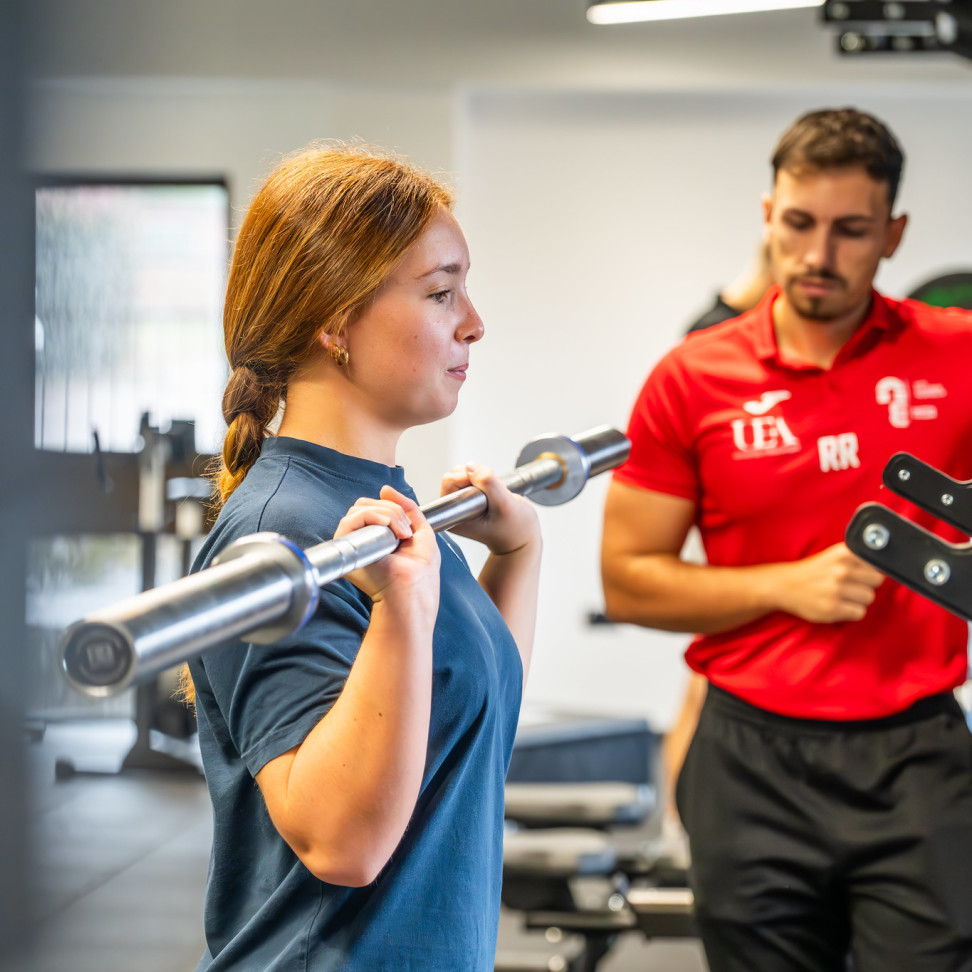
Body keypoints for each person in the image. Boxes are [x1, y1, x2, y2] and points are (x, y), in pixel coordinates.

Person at [601, 107, 972, 971]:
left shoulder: (957, 357)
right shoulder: (693, 377)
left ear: (893, 234)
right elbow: (628, 580)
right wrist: (784, 585)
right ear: (768, 216)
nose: (818, 255)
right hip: (750, 757)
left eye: (851, 231)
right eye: (799, 224)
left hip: (916, 751)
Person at [181, 143, 541, 970]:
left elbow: (467, 732)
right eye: (441, 292)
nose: (473, 321)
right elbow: (343, 844)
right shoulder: (281, 536)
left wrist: (518, 551)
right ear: (336, 321)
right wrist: (401, 609)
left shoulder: (390, 512)